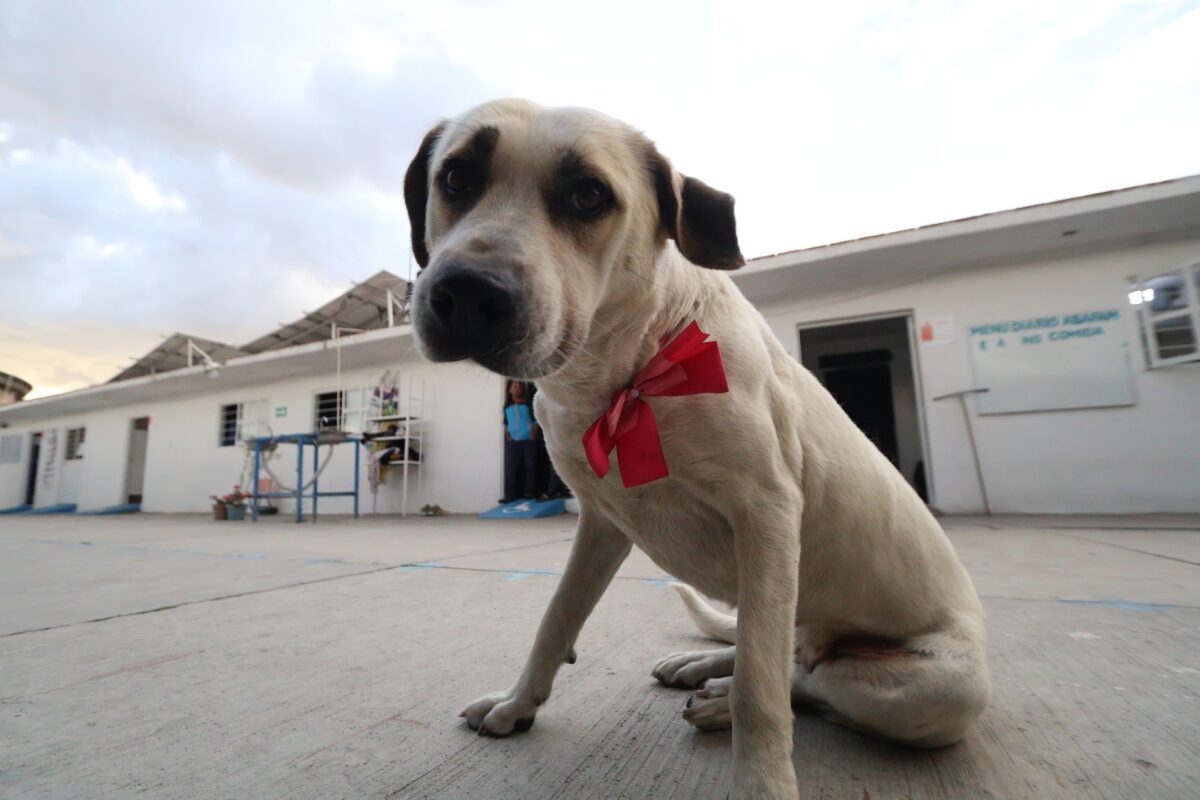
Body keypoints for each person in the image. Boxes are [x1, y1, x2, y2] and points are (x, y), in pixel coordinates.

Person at [502, 381, 539, 503]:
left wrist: (533, 434)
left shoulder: (528, 404)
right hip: (513, 441)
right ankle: (509, 495)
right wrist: (506, 435)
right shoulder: (507, 406)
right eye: (515, 386)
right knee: (510, 468)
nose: (518, 388)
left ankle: (529, 493)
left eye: (520, 386)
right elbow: (505, 423)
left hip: (528, 439)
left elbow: (536, 420)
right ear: (510, 390)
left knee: (530, 467)